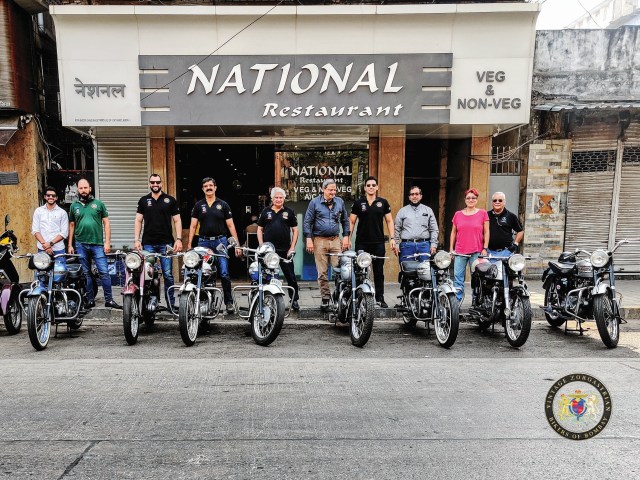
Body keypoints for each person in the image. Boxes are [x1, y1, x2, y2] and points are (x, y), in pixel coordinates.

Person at [187, 177, 242, 313]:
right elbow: (193, 226)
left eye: (211, 185)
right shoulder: (198, 206)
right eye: (206, 186)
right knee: (202, 273)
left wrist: (237, 245)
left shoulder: (223, 205)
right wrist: (189, 245)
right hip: (203, 242)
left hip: (220, 242)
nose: (209, 187)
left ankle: (228, 303)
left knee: (224, 273)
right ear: (203, 189)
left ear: (215, 187)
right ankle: (203, 302)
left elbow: (230, 225)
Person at [68, 178, 121, 309]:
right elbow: (71, 225)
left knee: (104, 272)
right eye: (81, 188)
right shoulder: (74, 206)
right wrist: (70, 244)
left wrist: (107, 242)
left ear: (90, 189)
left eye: (85, 188)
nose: (83, 190)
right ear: (77, 190)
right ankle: (90, 300)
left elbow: (106, 223)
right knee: (85, 273)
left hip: (97, 244)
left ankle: (109, 300)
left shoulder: (98, 204)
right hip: (81, 244)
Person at [134, 173, 183, 310]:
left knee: (167, 275)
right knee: (147, 274)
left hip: (166, 244)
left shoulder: (170, 200)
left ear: (161, 183)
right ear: (149, 184)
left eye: (157, 182)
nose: (155, 185)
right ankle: (148, 305)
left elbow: (177, 220)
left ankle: (171, 305)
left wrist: (178, 239)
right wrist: (136, 240)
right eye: (152, 182)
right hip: (148, 244)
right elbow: (138, 220)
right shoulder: (143, 200)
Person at [303, 178, 350, 311]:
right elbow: (307, 222)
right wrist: (308, 238)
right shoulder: (314, 202)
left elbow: (345, 221)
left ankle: (338, 297)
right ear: (323, 189)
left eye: (335, 189)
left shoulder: (339, 202)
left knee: (339, 271)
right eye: (330, 190)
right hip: (319, 240)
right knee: (322, 272)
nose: (333, 192)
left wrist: (346, 236)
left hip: (335, 240)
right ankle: (325, 299)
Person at [349, 176, 396, 308]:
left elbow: (389, 221)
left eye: (373, 185)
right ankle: (359, 299)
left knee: (378, 271)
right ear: (364, 188)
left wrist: (393, 238)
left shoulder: (383, 202)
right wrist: (347, 238)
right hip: (362, 243)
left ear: (377, 187)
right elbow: (351, 222)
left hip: (378, 243)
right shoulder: (358, 203)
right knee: (360, 271)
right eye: (368, 185)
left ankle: (380, 298)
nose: (371, 187)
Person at [257, 187, 300, 310]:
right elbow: (259, 229)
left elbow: (295, 231)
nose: (278, 199)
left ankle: (294, 299)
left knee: (291, 277)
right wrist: (261, 245)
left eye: (281, 197)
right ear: (272, 198)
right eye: (276, 197)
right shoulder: (266, 211)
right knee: (266, 276)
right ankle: (267, 301)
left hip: (285, 251)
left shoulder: (289, 212)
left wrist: (292, 248)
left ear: (284, 199)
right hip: (269, 252)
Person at [449, 188, 490, 302]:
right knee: (458, 278)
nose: (471, 200)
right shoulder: (458, 214)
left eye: (473, 198)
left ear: (477, 200)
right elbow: (453, 232)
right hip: (460, 251)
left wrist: (485, 248)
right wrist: (451, 249)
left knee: (476, 279)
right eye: (468, 198)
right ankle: (456, 303)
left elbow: (486, 232)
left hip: (476, 252)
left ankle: (476, 302)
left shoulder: (483, 213)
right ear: (465, 200)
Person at [32, 186, 68, 284]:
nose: (51, 197)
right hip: (42, 249)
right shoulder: (38, 211)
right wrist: (45, 245)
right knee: (41, 277)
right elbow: (35, 230)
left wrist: (50, 244)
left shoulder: (62, 213)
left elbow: (64, 233)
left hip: (58, 250)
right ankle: (42, 297)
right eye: (48, 195)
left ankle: (60, 297)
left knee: (59, 276)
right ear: (45, 197)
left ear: (56, 198)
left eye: (53, 195)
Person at [394, 186, 439, 264]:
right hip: (407, 246)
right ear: (409, 197)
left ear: (421, 196)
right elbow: (397, 229)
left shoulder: (428, 210)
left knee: (425, 271)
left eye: (417, 194)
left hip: (424, 246)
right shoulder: (402, 211)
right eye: (412, 194)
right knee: (407, 271)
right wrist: (396, 245)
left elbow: (434, 229)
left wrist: (433, 244)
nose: (414, 196)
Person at [488, 191, 523, 258]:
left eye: (500, 200)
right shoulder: (486, 215)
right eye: (495, 200)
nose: (497, 202)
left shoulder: (511, 216)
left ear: (504, 202)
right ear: (492, 203)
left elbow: (520, 231)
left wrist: (515, 244)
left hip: (506, 252)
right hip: (489, 253)